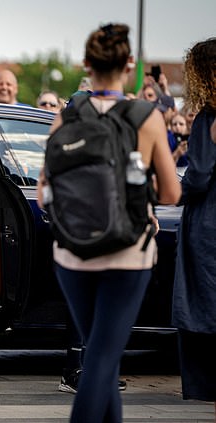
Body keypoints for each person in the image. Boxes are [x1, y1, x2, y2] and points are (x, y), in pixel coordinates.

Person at [36, 24, 180, 422]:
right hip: (127, 252)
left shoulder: (67, 117)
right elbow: (171, 194)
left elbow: (44, 187)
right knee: (102, 357)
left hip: (72, 252)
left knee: (101, 353)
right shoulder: (145, 118)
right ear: (128, 64)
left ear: (86, 64)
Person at [172, 37, 216, 422]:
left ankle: (204, 385)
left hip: (209, 220)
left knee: (201, 302)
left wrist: (173, 191)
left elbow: (199, 177)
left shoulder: (209, 119)